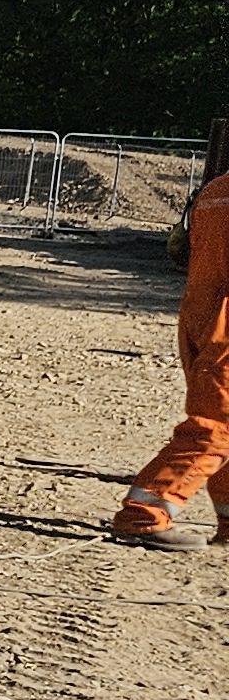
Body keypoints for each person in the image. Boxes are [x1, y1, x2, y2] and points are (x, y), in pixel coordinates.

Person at [113, 167, 229, 549]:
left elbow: (183, 249)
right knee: (217, 426)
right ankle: (144, 514)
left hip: (202, 311)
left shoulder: (214, 189)